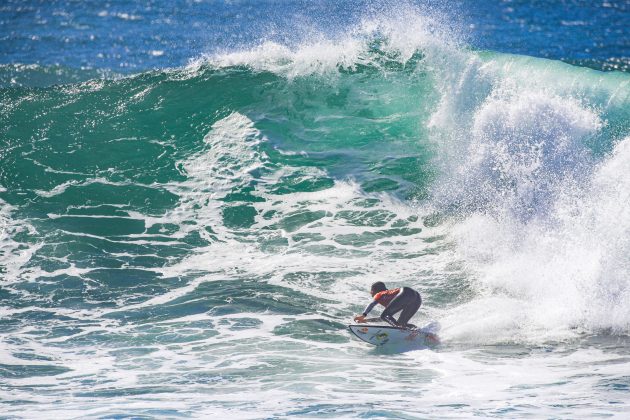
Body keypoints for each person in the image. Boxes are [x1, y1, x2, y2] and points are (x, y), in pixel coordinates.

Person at [353, 282, 421, 329]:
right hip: (417, 298)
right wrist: (366, 320)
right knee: (401, 323)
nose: (371, 293)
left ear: (374, 291)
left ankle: (399, 329)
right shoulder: (390, 296)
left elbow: (371, 304)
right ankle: (419, 332)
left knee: (394, 323)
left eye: (371, 291)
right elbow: (384, 318)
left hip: (406, 292)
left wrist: (363, 315)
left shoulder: (380, 294)